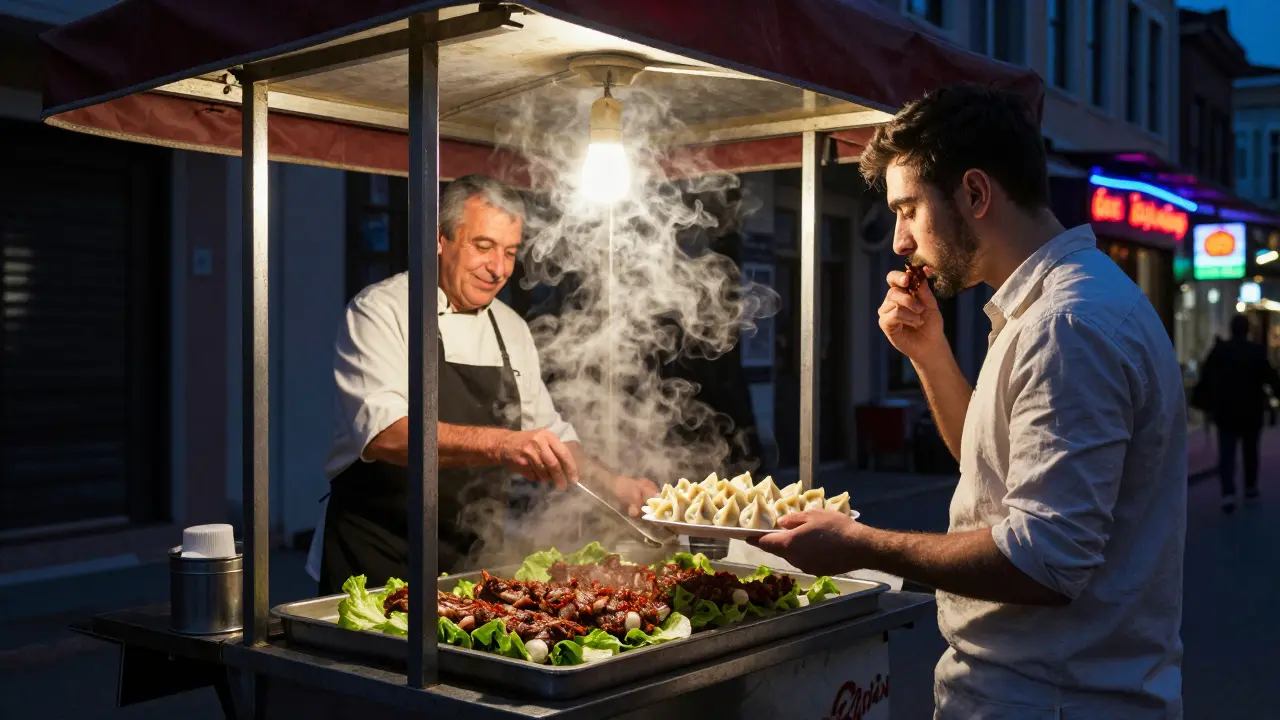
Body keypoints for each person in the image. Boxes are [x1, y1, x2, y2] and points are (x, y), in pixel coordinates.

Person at [754, 84, 1187, 717]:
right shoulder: (1046, 308)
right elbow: (992, 470)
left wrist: (860, 544)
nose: (900, 240)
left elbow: (1044, 560)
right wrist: (929, 353)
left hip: (1051, 700)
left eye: (908, 209)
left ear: (976, 193)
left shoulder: (1067, 325)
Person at [306, 174, 656, 594]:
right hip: (374, 554)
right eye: (484, 246)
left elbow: (549, 433)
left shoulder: (511, 328)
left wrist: (615, 484)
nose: (499, 269)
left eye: (509, 252)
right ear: (440, 240)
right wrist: (502, 444)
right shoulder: (381, 311)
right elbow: (384, 434)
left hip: (469, 559)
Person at [1195, 314, 1279, 511]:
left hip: (1226, 411)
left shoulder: (1220, 351)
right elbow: (1271, 378)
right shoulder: (1256, 352)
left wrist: (1204, 404)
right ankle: (1250, 488)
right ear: (1247, 330)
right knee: (1250, 451)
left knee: (1227, 453)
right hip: (1251, 411)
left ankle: (1228, 492)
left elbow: (1206, 378)